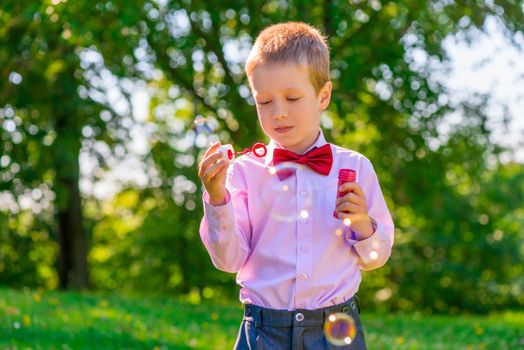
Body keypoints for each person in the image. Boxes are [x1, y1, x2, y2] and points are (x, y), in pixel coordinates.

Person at [198, 21, 394, 350]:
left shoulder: (355, 168)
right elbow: (228, 261)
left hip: (335, 329)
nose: (279, 113)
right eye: (264, 102)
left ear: (323, 95)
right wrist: (218, 199)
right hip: (263, 330)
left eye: (292, 97)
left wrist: (362, 223)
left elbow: (376, 257)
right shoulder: (245, 172)